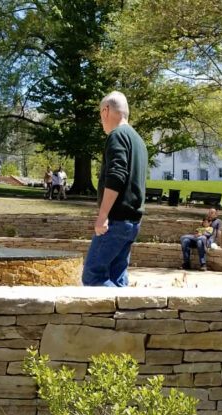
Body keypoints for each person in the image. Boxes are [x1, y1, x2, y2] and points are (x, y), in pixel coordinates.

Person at [82, 91, 147, 287]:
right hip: (133, 221)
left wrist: (103, 216)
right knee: (117, 277)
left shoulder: (117, 136)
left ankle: (130, 304)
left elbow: (117, 176)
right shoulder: (138, 140)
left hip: (116, 221)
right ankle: (125, 315)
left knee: (93, 277)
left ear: (106, 110)